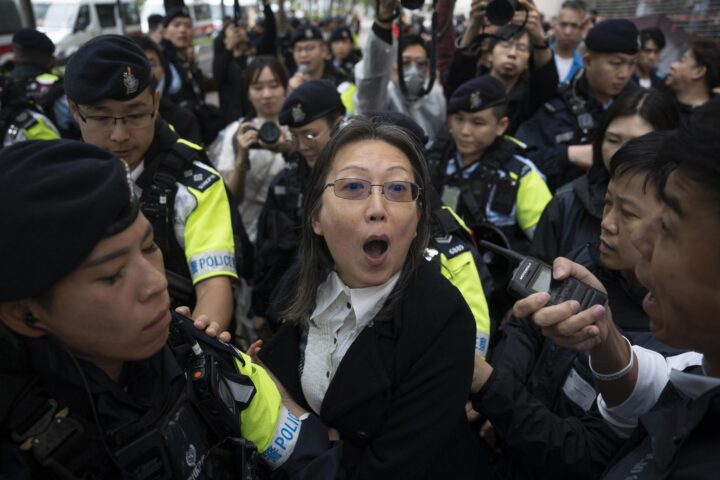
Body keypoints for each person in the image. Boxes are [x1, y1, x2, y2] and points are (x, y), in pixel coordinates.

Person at [0, 139, 337, 479]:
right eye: (113, 275)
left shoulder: (195, 351)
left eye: (149, 247)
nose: (155, 284)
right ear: (24, 314)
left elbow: (307, 458)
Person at [258, 117, 483, 478]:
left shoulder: (444, 319)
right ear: (317, 216)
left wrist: (294, 419)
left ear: (418, 217)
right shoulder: (298, 285)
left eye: (397, 189)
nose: (378, 207)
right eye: (353, 186)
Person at [512, 98, 720, 479]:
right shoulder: (698, 372)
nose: (642, 245)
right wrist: (605, 337)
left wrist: (492, 391)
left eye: (669, 227)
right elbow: (656, 384)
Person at [465, 131, 682, 479]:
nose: (607, 223)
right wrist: (500, 404)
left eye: (627, 213)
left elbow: (589, 454)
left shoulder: (680, 344)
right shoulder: (588, 264)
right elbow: (525, 326)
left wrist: (492, 390)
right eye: (608, 203)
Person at [64, 35, 238, 332]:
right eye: (102, 117)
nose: (120, 135)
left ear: (155, 104)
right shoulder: (62, 181)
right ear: (73, 110)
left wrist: (199, 345)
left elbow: (214, 285)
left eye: (134, 115)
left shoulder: (195, 186)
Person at [530, 88, 679, 263]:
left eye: (637, 143)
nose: (620, 153)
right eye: (613, 140)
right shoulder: (567, 200)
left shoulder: (678, 210)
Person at [252, 80, 346, 336]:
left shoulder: (361, 180)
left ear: (338, 125)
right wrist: (260, 309)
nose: (303, 146)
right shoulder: (286, 182)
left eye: (310, 135)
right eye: (295, 137)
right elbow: (268, 250)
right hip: (294, 310)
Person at [428, 75, 552, 254]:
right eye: (458, 119)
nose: (464, 131)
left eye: (477, 123)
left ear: (501, 125)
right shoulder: (432, 159)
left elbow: (546, 244)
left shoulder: (521, 175)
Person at [516, 18, 639, 189]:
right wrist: (567, 155)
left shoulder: (639, 106)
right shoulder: (558, 105)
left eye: (632, 64)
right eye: (616, 63)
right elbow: (520, 158)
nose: (624, 74)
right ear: (588, 61)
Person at [210, 56, 293, 244]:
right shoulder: (236, 133)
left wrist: (289, 149)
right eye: (258, 87)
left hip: (293, 229)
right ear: (248, 93)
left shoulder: (299, 130)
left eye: (274, 85)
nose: (266, 94)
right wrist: (241, 157)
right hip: (251, 235)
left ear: (285, 88)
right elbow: (231, 199)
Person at [445, 0, 559, 136]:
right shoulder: (471, 85)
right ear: (491, 54)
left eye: (521, 48)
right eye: (505, 45)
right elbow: (457, 76)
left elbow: (546, 82)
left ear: (528, 62)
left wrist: (539, 37)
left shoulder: (528, 97)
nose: (512, 53)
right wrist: (474, 24)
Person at [354, 0, 446, 145]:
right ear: (391, 67)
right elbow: (372, 77)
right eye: (405, 63)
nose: (414, 71)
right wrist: (384, 17)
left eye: (421, 63)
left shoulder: (437, 101)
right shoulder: (382, 99)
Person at [160, 6, 223, 145]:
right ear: (164, 32)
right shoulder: (162, 63)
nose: (182, 30)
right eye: (176, 25)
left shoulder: (184, 60)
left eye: (187, 26)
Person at [213, 0, 278, 123]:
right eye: (232, 30)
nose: (237, 31)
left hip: (258, 114)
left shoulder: (256, 51)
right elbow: (218, 77)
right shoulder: (224, 59)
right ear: (225, 39)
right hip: (233, 118)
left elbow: (270, 33)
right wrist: (229, 48)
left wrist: (266, 6)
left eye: (240, 29)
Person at [135, 35, 202, 144]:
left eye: (152, 64)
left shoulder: (184, 118)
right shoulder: (112, 119)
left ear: (163, 69)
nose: (146, 70)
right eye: (137, 64)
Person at [8, 28, 71, 138]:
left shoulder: (6, 87)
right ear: (51, 61)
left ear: (15, 58)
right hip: (64, 152)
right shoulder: (60, 89)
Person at [287, 25, 355, 114]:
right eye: (298, 49)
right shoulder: (290, 84)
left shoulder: (342, 84)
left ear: (324, 51)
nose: (303, 54)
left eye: (309, 48)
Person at [663, 36, 720, 124]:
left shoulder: (710, 123)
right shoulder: (658, 101)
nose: (672, 65)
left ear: (698, 72)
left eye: (682, 61)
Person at [551, 0, 586, 84]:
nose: (568, 32)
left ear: (581, 29)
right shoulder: (539, 58)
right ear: (555, 25)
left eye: (574, 26)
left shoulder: (583, 67)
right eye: (563, 24)